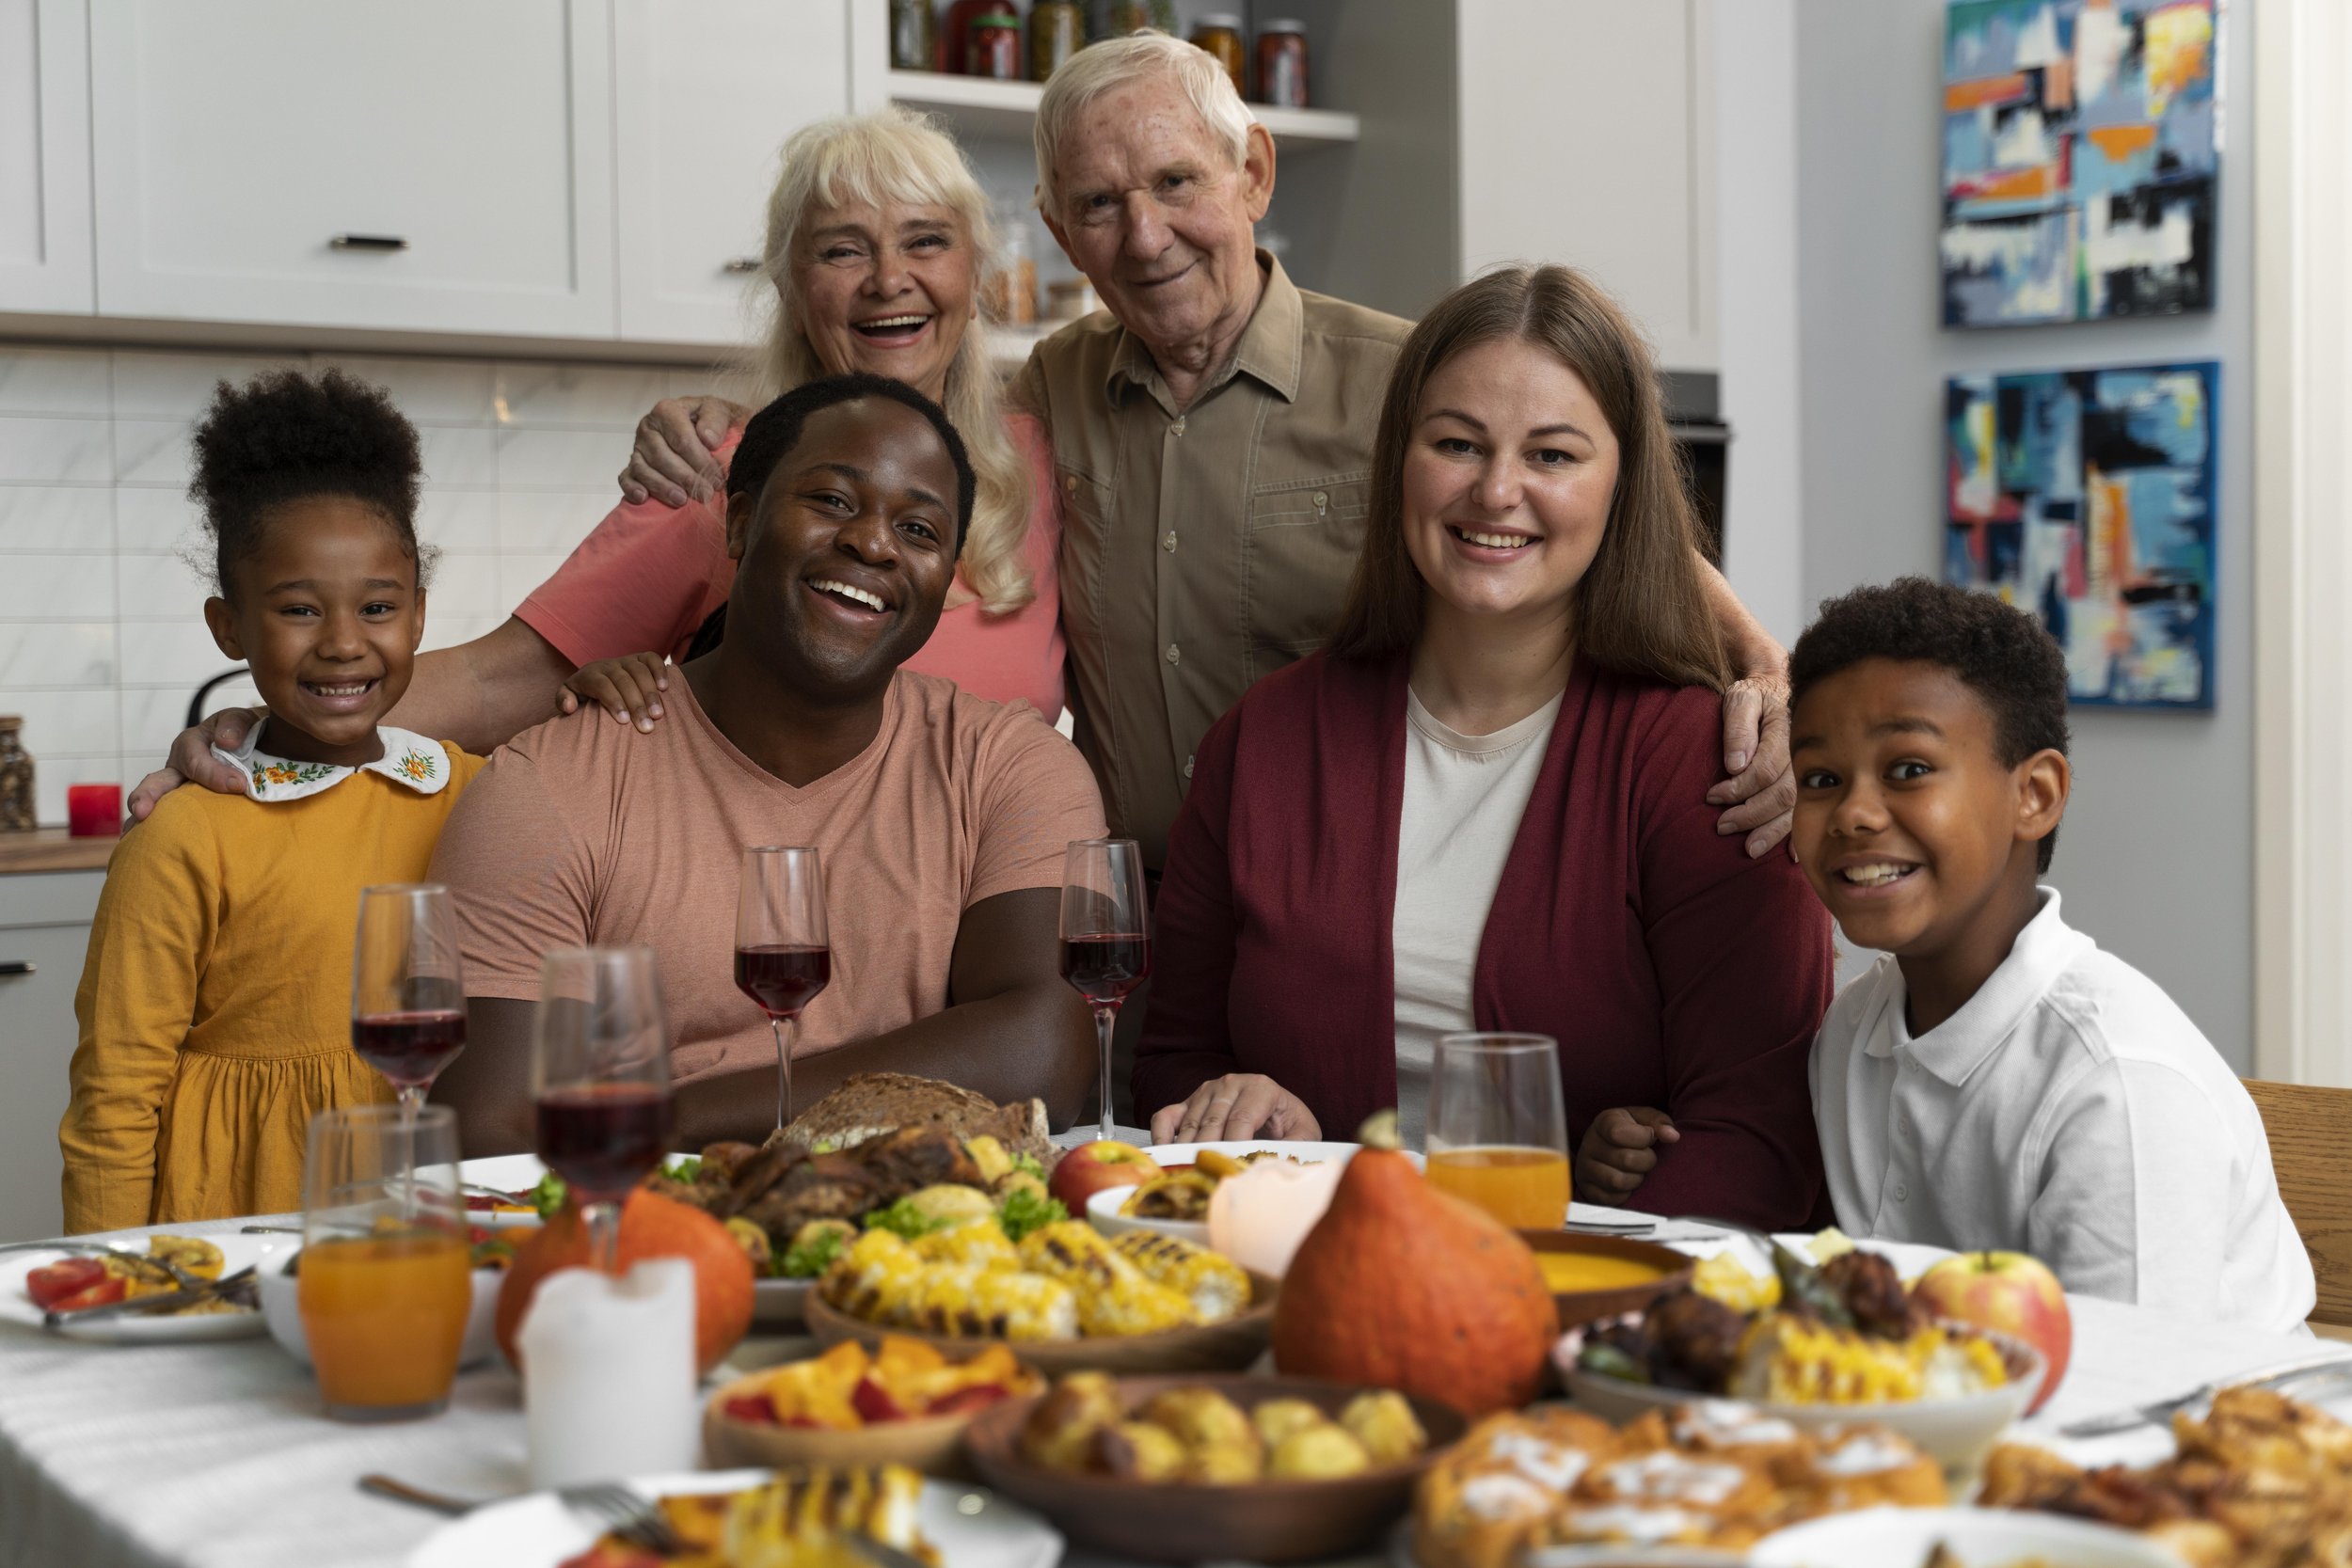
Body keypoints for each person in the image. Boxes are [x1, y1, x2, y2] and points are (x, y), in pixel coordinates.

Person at [617, 33, 1798, 872]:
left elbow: (1604, 537)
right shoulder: (1046, 399)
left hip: (1355, 899)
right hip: (1127, 916)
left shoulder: (1407, 382)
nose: (1144, 236)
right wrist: (708, 423)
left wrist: (1765, 668)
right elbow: (888, 399)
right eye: (1095, 205)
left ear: (1253, 174)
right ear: (1057, 228)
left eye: (1176, 181)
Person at [1131, 267, 1834, 1233]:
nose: (1496, 491)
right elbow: (1175, 1063)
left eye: (1552, 455)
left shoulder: (1708, 765)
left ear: (1620, 484)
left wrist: (1541, 1304)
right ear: (1398, 461)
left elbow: (1757, 1136)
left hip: (1587, 1322)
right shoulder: (1262, 741)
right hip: (1291, 1280)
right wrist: (1250, 1118)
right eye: (1457, 443)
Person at [128, 106, 1064, 817]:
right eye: (841, 250)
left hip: (1004, 934)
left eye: (925, 241)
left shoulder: (1046, 461)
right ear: (790, 288)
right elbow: (503, 682)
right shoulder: (715, 473)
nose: (888, 279)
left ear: (974, 272)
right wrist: (273, 738)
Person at [428, 375, 1103, 1155]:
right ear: (740, 520)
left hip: (926, 1254)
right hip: (652, 1247)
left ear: (945, 577)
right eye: (834, 501)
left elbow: (1044, 1052)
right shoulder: (550, 784)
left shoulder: (1011, 769)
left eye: (919, 530)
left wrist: (660, 1117)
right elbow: (485, 1134)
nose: (874, 543)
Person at [1791, 577, 2313, 1329]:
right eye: (1821, 779)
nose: (1854, 813)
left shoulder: (2116, 1085)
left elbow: (2128, 1388)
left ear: (2034, 794)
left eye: (1908, 769)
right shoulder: (1850, 1033)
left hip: (2200, 1435)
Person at [59, 371, 485, 1232]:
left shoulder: (472, 792)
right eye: (297, 608)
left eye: (377, 606)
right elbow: (114, 1093)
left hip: (428, 1211)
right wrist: (112, 1275)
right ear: (229, 626)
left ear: (419, 617)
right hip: (241, 1220)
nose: (341, 642)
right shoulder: (185, 834)